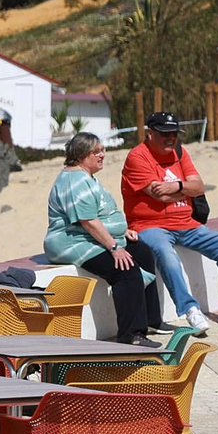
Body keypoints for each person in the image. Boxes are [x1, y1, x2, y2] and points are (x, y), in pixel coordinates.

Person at [122, 112, 218, 332]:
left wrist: (176, 187)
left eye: (174, 133)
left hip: (186, 222)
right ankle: (190, 309)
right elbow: (159, 195)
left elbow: (198, 188)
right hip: (149, 225)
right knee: (165, 254)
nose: (171, 138)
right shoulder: (137, 157)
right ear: (150, 133)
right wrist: (183, 188)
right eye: (165, 133)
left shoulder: (180, 152)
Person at [44, 132, 162, 347]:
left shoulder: (85, 176)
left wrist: (120, 233)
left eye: (102, 150)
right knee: (125, 271)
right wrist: (114, 246)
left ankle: (152, 320)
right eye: (96, 152)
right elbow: (87, 221)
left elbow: (100, 215)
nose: (102, 155)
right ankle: (131, 335)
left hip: (89, 237)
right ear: (81, 156)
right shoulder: (74, 182)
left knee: (142, 252)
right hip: (73, 243)